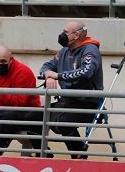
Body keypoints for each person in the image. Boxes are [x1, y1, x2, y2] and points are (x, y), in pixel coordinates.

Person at [39, 21, 103, 158]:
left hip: (87, 103)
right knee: (34, 117)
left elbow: (86, 72)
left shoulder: (90, 50)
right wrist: (48, 77)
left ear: (76, 35)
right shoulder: (64, 50)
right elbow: (46, 66)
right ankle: (45, 156)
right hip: (66, 101)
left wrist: (57, 76)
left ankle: (78, 156)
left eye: (65, 32)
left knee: (63, 124)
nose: (62, 35)